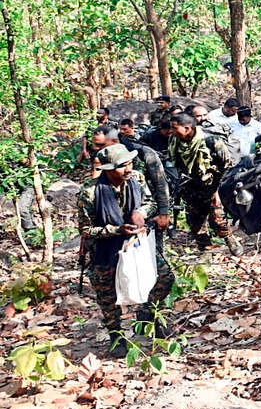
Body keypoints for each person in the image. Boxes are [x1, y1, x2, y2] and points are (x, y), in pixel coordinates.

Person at [77, 144, 176, 358]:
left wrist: (140, 212)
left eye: (130, 163)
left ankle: (148, 314)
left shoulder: (137, 179)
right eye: (122, 166)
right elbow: (85, 229)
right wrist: (116, 230)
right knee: (107, 295)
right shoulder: (90, 193)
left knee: (164, 278)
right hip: (105, 249)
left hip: (136, 244)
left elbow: (150, 202)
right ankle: (116, 336)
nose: (128, 169)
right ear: (108, 169)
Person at [168, 113, 243, 255]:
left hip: (212, 186)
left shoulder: (212, 142)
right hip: (190, 187)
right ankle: (205, 249)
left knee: (218, 218)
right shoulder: (175, 141)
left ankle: (229, 239)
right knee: (195, 222)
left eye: (174, 128)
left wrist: (218, 191)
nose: (171, 131)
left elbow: (227, 167)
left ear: (187, 128)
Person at [92, 126, 172, 245]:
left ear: (114, 141)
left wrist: (163, 213)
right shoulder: (104, 157)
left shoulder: (145, 154)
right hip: (114, 218)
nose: (95, 148)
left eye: (100, 145)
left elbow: (160, 184)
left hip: (145, 210)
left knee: (150, 251)